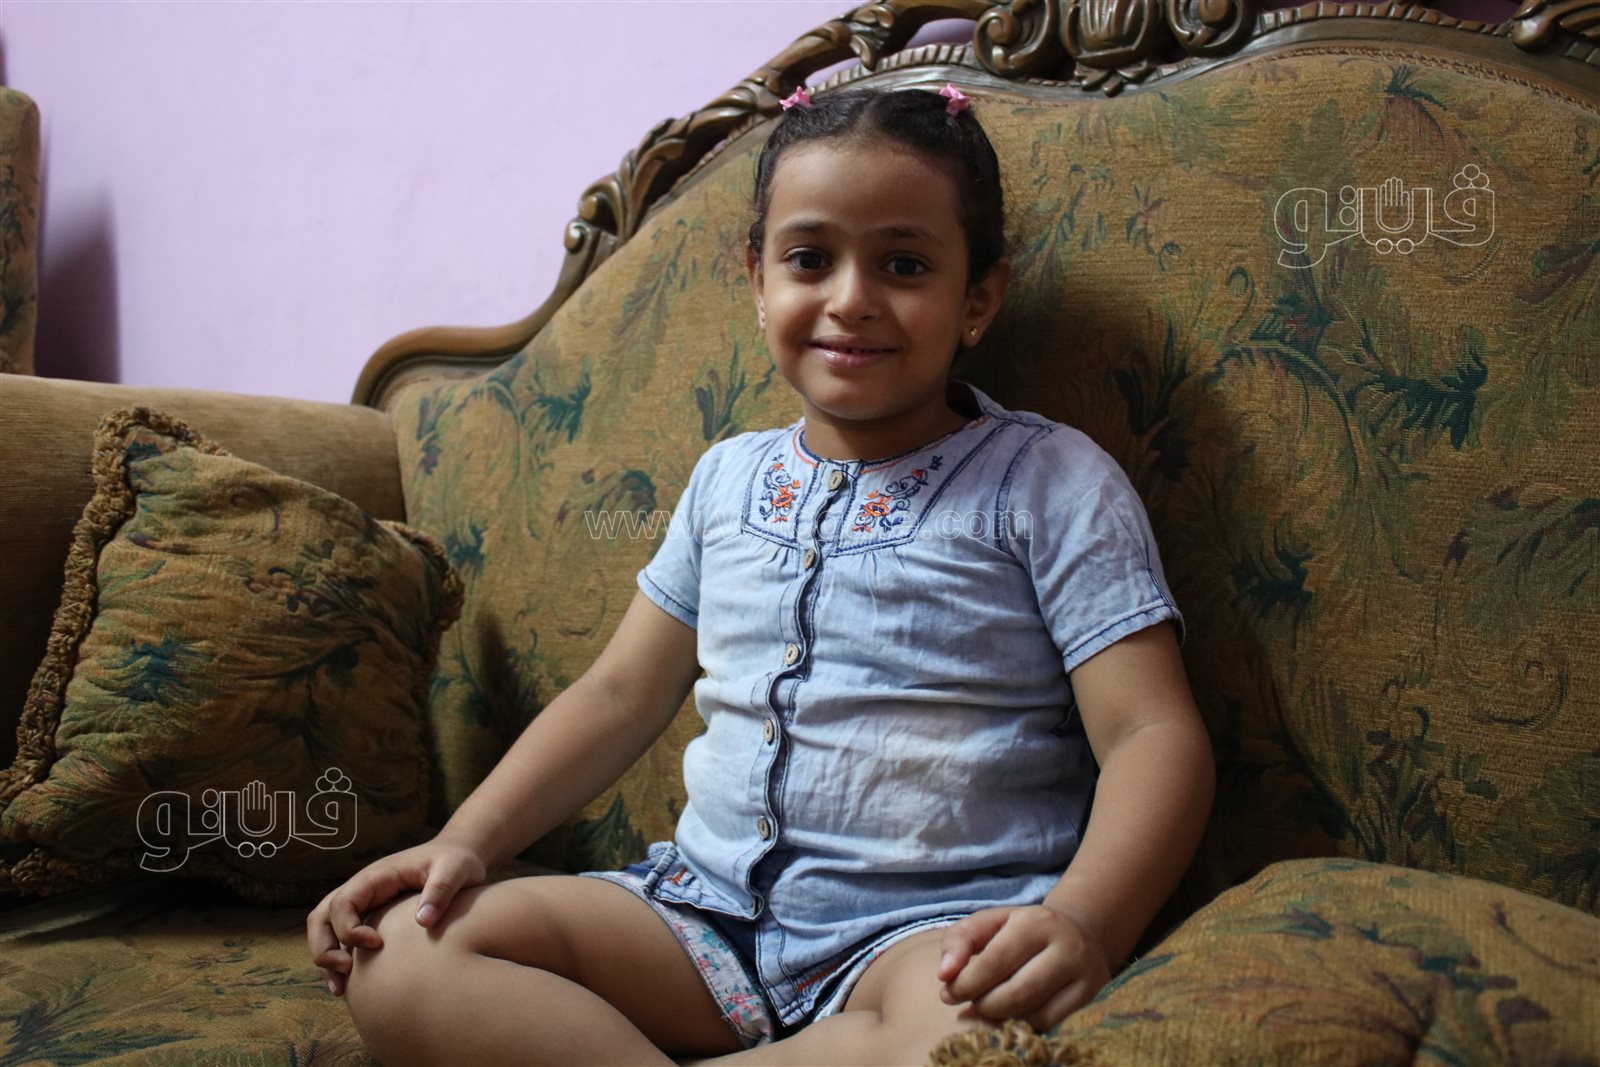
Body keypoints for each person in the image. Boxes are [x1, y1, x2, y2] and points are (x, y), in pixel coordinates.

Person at [306, 83, 1214, 1067]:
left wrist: (1085, 921)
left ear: (978, 298)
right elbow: (618, 694)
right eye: (809, 259)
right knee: (400, 950)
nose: (851, 298)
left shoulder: (1048, 480)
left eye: (905, 264)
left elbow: (1150, 731)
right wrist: (465, 841)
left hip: (929, 939)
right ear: (757, 278)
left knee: (969, 1041)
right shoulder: (727, 479)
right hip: (697, 919)